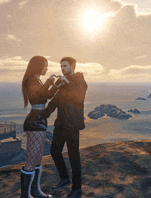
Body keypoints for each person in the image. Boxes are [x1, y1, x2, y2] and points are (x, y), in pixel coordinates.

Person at [43, 57, 87, 198]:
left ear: (73, 66)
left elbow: (78, 97)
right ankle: (65, 178)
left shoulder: (80, 82)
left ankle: (77, 189)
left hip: (73, 125)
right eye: (61, 66)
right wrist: (41, 115)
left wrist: (66, 82)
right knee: (54, 151)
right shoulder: (62, 83)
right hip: (61, 125)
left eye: (65, 66)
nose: (62, 68)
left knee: (74, 157)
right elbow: (54, 101)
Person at [21, 55, 60, 198]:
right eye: (45, 65)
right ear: (37, 66)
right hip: (35, 120)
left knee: (37, 158)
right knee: (31, 158)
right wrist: (50, 81)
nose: (47, 68)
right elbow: (42, 93)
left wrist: (56, 84)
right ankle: (25, 195)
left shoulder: (36, 80)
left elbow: (47, 96)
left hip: (40, 119)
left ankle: (35, 191)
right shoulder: (31, 80)